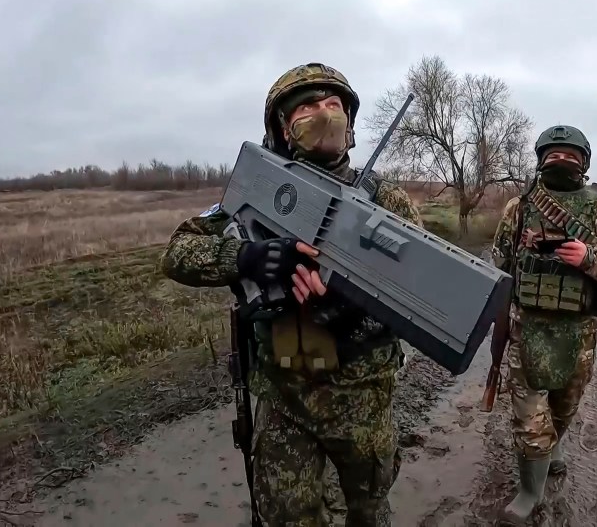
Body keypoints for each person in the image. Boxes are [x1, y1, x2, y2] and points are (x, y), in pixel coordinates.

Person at [159, 62, 423, 526]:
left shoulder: (386, 199)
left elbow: (422, 293)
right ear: (283, 128)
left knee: (368, 511)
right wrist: (245, 258)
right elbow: (178, 251)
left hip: (362, 399)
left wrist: (352, 311)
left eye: (333, 105)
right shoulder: (258, 192)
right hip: (284, 400)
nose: (324, 114)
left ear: (351, 123)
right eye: (307, 106)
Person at [489, 124, 597, 524]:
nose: (561, 161)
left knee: (564, 407)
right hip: (528, 330)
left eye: (570, 155)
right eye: (553, 155)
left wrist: (589, 257)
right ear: (540, 161)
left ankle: (557, 446)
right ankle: (529, 492)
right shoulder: (519, 208)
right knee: (529, 419)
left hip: (580, 334)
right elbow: (498, 264)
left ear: (584, 164)